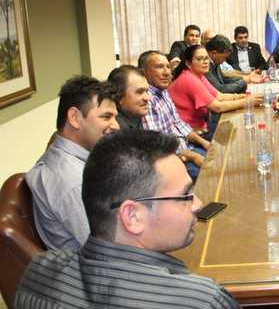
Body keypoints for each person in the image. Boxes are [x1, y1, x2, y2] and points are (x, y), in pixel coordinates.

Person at [15, 130, 240, 309]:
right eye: (185, 196)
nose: (198, 204)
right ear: (132, 216)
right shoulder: (202, 301)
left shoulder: (37, 273)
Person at [26, 76, 119, 250]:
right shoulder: (73, 182)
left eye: (115, 117)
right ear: (74, 117)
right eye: (106, 117)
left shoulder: (72, 157)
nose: (116, 126)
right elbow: (109, 251)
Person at [138, 50, 210, 180]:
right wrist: (192, 156)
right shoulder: (146, 99)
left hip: (188, 149)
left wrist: (204, 142)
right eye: (159, 67)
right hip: (175, 160)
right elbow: (158, 147)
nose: (167, 72)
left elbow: (178, 124)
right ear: (143, 73)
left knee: (220, 158)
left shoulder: (163, 91)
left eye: (168, 67)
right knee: (212, 176)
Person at [169, 44, 263, 134]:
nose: (205, 62)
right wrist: (247, 101)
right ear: (188, 63)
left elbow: (220, 96)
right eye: (199, 59)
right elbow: (217, 107)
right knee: (239, 129)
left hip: (203, 124)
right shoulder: (188, 79)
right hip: (191, 132)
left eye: (206, 58)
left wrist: (244, 96)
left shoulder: (198, 75)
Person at [107, 65, 150, 130]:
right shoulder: (115, 130)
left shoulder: (135, 118)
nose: (148, 98)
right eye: (139, 92)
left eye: (146, 91)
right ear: (119, 96)